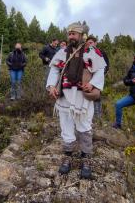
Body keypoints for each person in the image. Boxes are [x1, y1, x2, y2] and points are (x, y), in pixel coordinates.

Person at [46, 22, 106, 179]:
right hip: (65, 94)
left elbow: (100, 70)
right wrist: (51, 85)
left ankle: (86, 158)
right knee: (65, 125)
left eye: (74, 34)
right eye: (69, 34)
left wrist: (92, 84)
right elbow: (54, 69)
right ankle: (67, 156)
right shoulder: (62, 52)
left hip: (82, 96)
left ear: (81, 35)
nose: (71, 36)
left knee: (84, 126)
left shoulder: (92, 52)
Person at [86, 36, 109, 119]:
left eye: (91, 42)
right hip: (87, 77)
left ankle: (97, 115)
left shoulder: (101, 52)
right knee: (87, 94)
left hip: (98, 77)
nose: (89, 44)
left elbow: (106, 65)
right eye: (87, 43)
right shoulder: (86, 52)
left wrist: (101, 75)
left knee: (97, 95)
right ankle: (89, 115)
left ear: (95, 43)